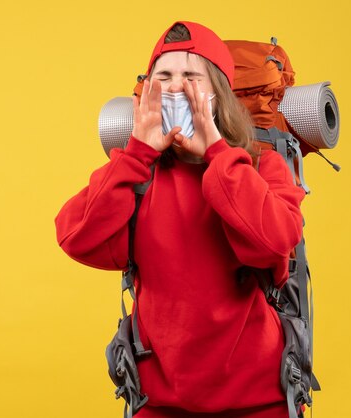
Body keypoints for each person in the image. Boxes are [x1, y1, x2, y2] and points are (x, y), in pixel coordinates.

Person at [55, 21, 306, 418]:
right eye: (164, 77)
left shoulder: (262, 166)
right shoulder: (138, 176)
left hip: (258, 401)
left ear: (218, 93)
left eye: (190, 76)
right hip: (160, 402)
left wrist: (220, 155)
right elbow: (76, 237)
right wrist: (136, 154)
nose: (175, 88)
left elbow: (274, 245)